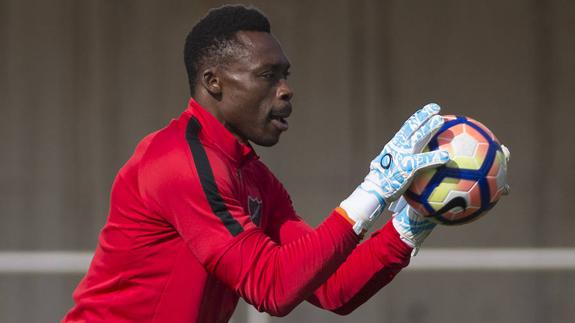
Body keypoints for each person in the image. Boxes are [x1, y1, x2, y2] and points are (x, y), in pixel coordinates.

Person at [63, 5, 453, 322]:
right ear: (213, 82)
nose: (286, 90)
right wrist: (376, 188)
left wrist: (411, 222)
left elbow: (332, 288)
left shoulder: (252, 177)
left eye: (285, 75)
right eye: (267, 76)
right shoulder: (176, 161)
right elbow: (272, 289)